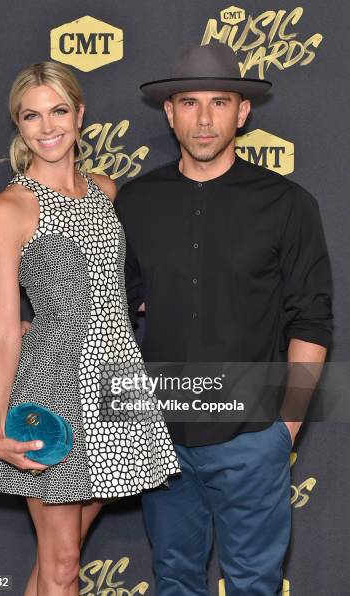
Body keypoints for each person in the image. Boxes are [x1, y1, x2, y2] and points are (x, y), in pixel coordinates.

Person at [0, 60, 180, 596]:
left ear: (79, 114)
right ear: (19, 124)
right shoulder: (11, 208)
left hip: (116, 385)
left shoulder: (106, 190)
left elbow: (123, 282)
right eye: (32, 115)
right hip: (53, 386)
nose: (47, 126)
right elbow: (7, 327)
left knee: (62, 554)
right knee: (63, 566)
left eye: (58, 110)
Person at [115, 42, 333, 595]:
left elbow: (311, 320)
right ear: (170, 113)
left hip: (251, 436)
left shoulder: (288, 204)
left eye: (220, 102)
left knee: (255, 583)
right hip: (160, 437)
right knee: (174, 580)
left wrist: (283, 428)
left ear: (242, 111)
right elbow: (119, 307)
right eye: (189, 103)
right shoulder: (136, 201)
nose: (204, 118)